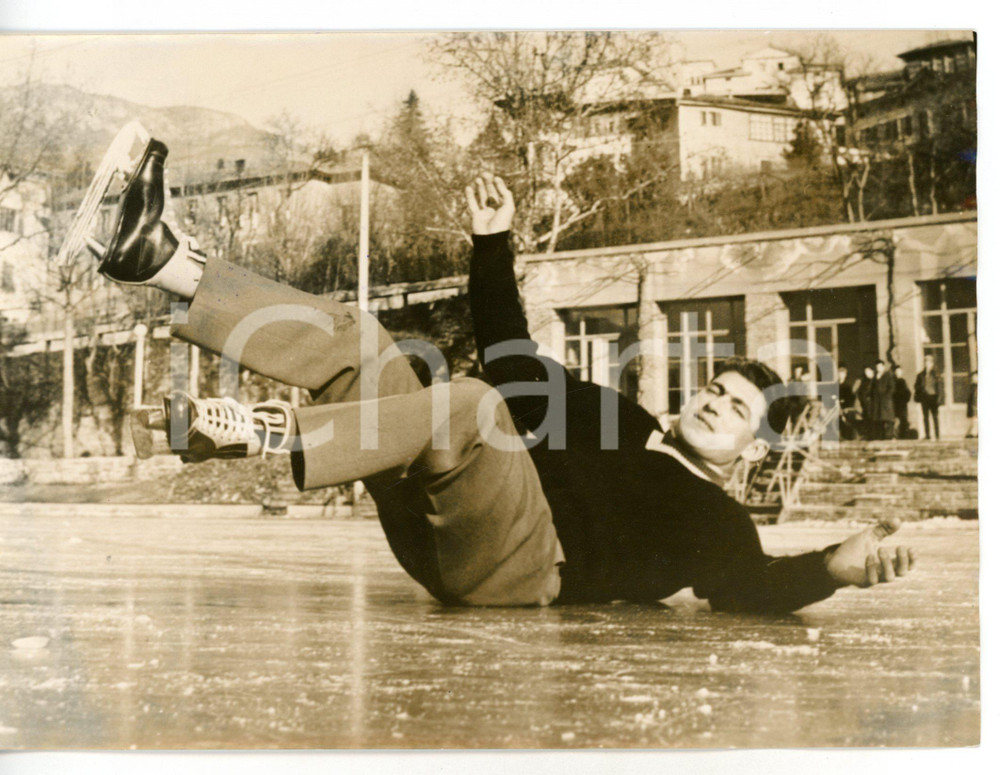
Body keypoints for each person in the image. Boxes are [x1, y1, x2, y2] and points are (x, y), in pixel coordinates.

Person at [88, 139, 916, 611]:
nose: (714, 402)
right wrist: (492, 243)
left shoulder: (715, 515)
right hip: (442, 515)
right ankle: (156, 260)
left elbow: (750, 585)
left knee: (472, 407)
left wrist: (832, 567)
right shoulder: (618, 418)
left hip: (522, 567)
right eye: (715, 387)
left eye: (736, 407)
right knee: (364, 341)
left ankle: (263, 432)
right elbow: (514, 358)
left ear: (752, 446)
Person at [914, 354, 944, 440]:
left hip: (933, 397)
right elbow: (916, 386)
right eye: (926, 362)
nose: (927, 364)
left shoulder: (936, 374)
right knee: (925, 417)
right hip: (925, 398)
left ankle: (937, 435)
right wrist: (920, 388)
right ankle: (927, 435)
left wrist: (939, 398)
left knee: (935, 417)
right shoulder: (921, 375)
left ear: (932, 364)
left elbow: (940, 387)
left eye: (929, 362)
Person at [873, 360, 896, 441]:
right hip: (878, 401)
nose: (878, 368)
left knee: (888, 419)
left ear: (883, 367)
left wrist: (887, 396)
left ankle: (889, 436)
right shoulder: (876, 377)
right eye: (877, 367)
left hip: (886, 401)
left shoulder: (888, 375)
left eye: (880, 366)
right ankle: (881, 436)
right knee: (879, 419)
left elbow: (892, 387)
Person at [836, 363, 859, 440]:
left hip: (846, 407)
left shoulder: (848, 385)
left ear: (845, 375)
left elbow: (851, 398)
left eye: (842, 373)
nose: (840, 375)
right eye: (839, 373)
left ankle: (849, 437)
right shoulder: (836, 385)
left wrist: (844, 404)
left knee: (847, 421)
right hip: (837, 407)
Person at [856, 366, 876, 440]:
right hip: (866, 406)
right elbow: (860, 393)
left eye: (868, 371)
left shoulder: (876, 381)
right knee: (867, 421)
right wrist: (864, 402)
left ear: (872, 371)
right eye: (866, 372)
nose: (867, 373)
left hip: (875, 405)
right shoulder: (864, 382)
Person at [892, 366, 912, 439]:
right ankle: (896, 436)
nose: (898, 373)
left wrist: (905, 400)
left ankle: (904, 436)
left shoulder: (904, 381)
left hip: (903, 404)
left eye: (899, 371)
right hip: (895, 404)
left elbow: (908, 393)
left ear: (902, 372)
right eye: (897, 371)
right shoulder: (893, 381)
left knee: (903, 420)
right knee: (895, 420)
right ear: (895, 372)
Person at [966, 371, 978, 438]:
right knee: (974, 418)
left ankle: (974, 432)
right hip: (974, 406)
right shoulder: (972, 388)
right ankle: (973, 432)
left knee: (976, 418)